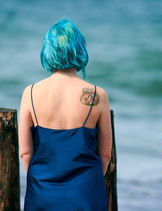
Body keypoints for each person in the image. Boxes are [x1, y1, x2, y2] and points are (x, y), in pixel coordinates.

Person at [18, 18, 112, 210]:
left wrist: (41, 184)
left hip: (42, 194)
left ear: (47, 50)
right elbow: (105, 155)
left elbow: (25, 153)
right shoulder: (96, 95)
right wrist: (87, 185)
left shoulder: (30, 93)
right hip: (86, 195)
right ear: (80, 49)